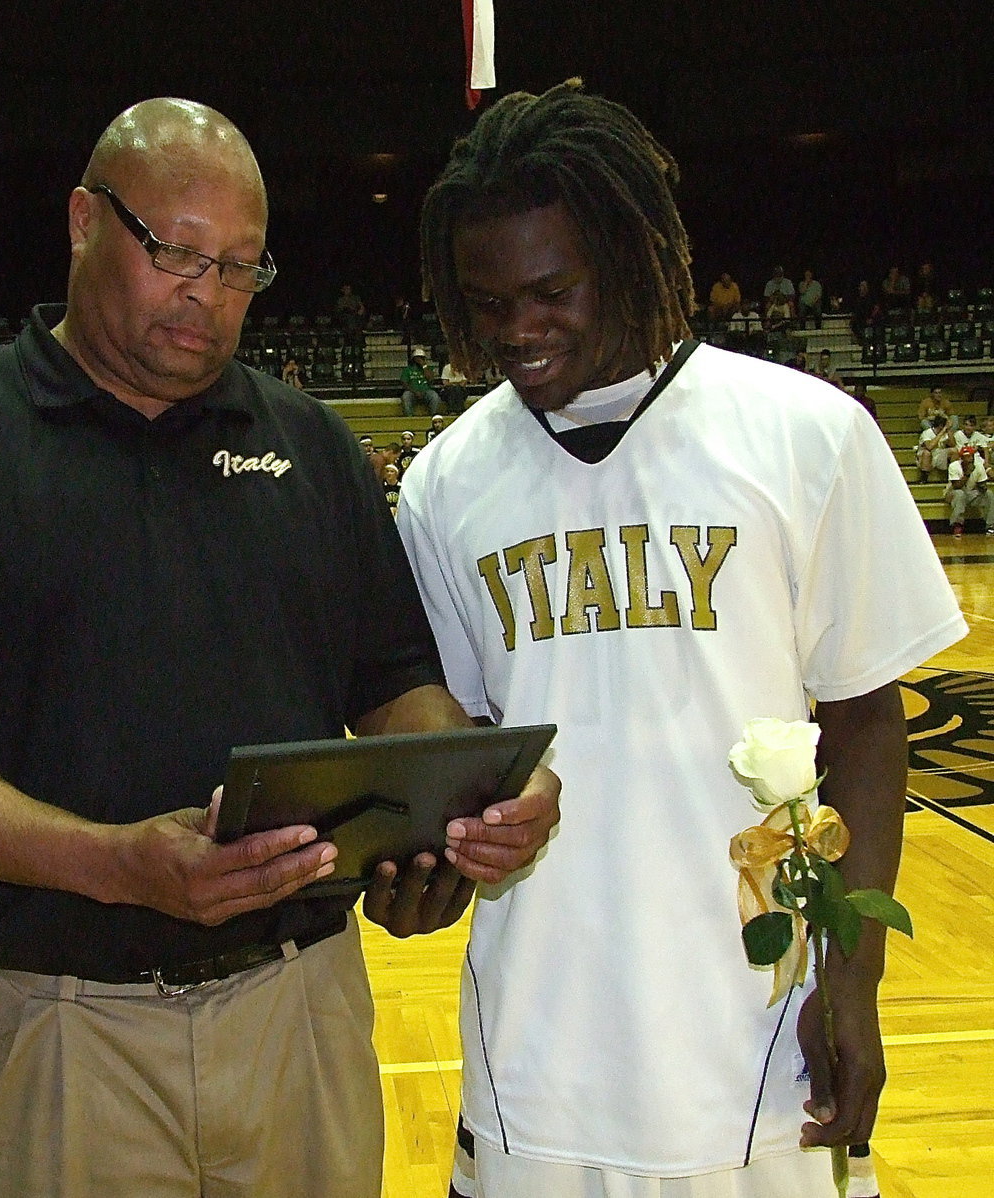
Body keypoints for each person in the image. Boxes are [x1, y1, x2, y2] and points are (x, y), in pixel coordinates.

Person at [0, 97, 560, 1198]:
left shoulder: (312, 449)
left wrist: (473, 789)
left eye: (240, 269)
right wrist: (118, 864)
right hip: (59, 1026)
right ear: (83, 221)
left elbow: (396, 682)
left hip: (298, 1006)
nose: (207, 296)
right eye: (176, 252)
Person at [406, 79, 966, 1198]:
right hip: (537, 1059)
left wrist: (853, 983)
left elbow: (864, 719)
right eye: (484, 301)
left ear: (628, 250)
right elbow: (456, 746)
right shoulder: (444, 484)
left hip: (760, 1050)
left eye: (550, 290)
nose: (517, 329)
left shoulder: (804, 433)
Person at [946, 446, 992, 537]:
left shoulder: (979, 466)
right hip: (953, 494)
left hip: (971, 493)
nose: (969, 459)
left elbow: (982, 485)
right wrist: (967, 473)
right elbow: (956, 486)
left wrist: (982, 486)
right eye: (966, 457)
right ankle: (957, 525)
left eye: (970, 456)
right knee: (960, 494)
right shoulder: (954, 466)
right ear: (961, 458)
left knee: (989, 494)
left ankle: (990, 525)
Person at [400, 345, 442, 416]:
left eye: (421, 358)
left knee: (434, 396)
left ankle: (433, 415)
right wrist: (414, 391)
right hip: (412, 392)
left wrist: (424, 366)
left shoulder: (428, 369)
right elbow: (404, 383)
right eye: (418, 358)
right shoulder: (408, 369)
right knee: (406, 396)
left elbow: (431, 379)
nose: (419, 359)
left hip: (426, 391)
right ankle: (409, 416)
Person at [917, 414, 954, 481]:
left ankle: (951, 475)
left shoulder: (946, 433)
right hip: (925, 457)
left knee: (954, 451)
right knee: (926, 453)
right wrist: (943, 431)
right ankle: (924, 477)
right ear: (941, 426)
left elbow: (953, 444)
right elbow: (929, 447)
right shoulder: (927, 433)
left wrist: (949, 430)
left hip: (939, 455)